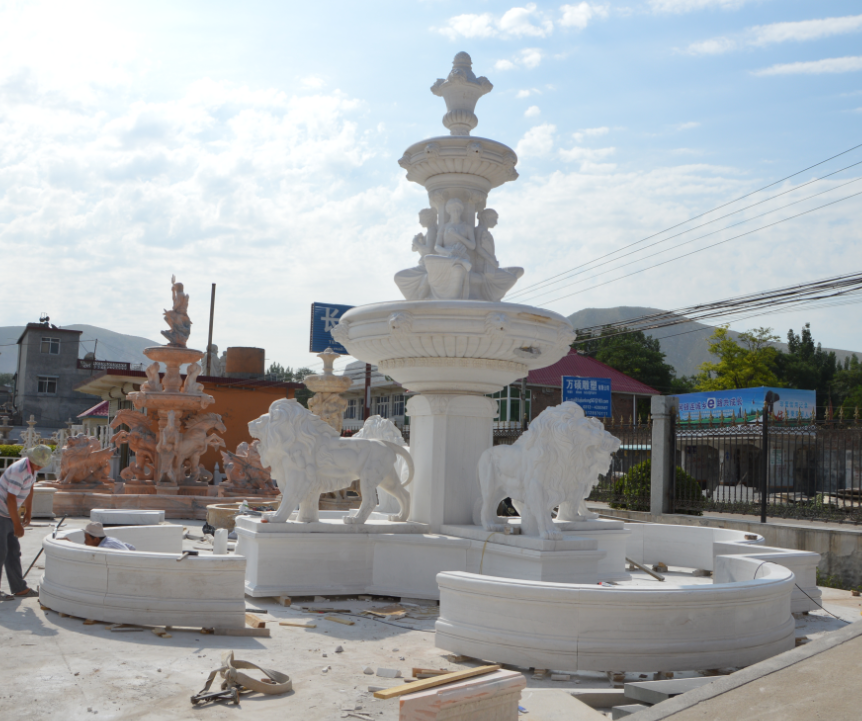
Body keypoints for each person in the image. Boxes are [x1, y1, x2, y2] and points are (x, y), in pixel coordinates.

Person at [0, 445, 52, 600]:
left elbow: (30, 489)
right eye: (40, 464)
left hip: (7, 514)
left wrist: (28, 511)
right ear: (34, 461)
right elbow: (10, 499)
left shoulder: (32, 469)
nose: (42, 467)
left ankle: (19, 588)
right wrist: (16, 524)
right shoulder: (19, 471)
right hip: (2, 514)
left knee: (13, 552)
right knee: (0, 552)